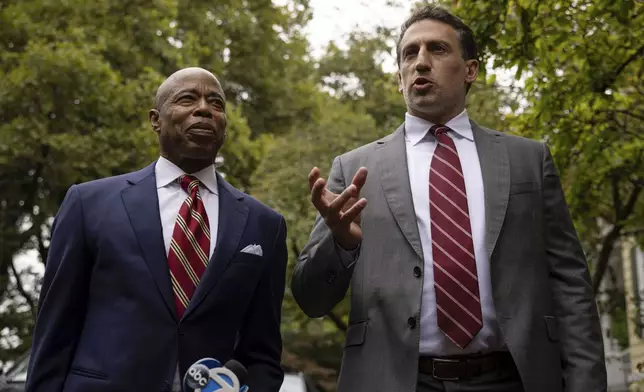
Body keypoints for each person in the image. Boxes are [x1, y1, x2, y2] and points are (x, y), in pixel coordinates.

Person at [291, 5, 606, 392]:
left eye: (437, 49)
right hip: (397, 382)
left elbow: (570, 282)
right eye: (410, 53)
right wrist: (340, 244)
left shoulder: (528, 160)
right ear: (399, 79)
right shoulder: (355, 170)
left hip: (514, 379)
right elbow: (311, 300)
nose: (421, 62)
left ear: (470, 69)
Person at [25, 67, 287, 392]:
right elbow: (55, 332)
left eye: (216, 103)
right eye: (187, 99)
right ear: (156, 120)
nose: (204, 108)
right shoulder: (88, 204)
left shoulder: (265, 225)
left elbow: (262, 354)